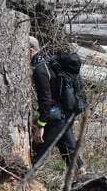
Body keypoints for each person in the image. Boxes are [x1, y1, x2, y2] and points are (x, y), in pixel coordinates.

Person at [29, 36, 84, 172]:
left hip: (56, 120)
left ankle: (22, 182)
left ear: (30, 50)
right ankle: (86, 178)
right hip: (66, 115)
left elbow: (46, 99)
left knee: (34, 157)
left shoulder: (40, 70)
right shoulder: (49, 61)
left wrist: (41, 125)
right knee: (70, 153)